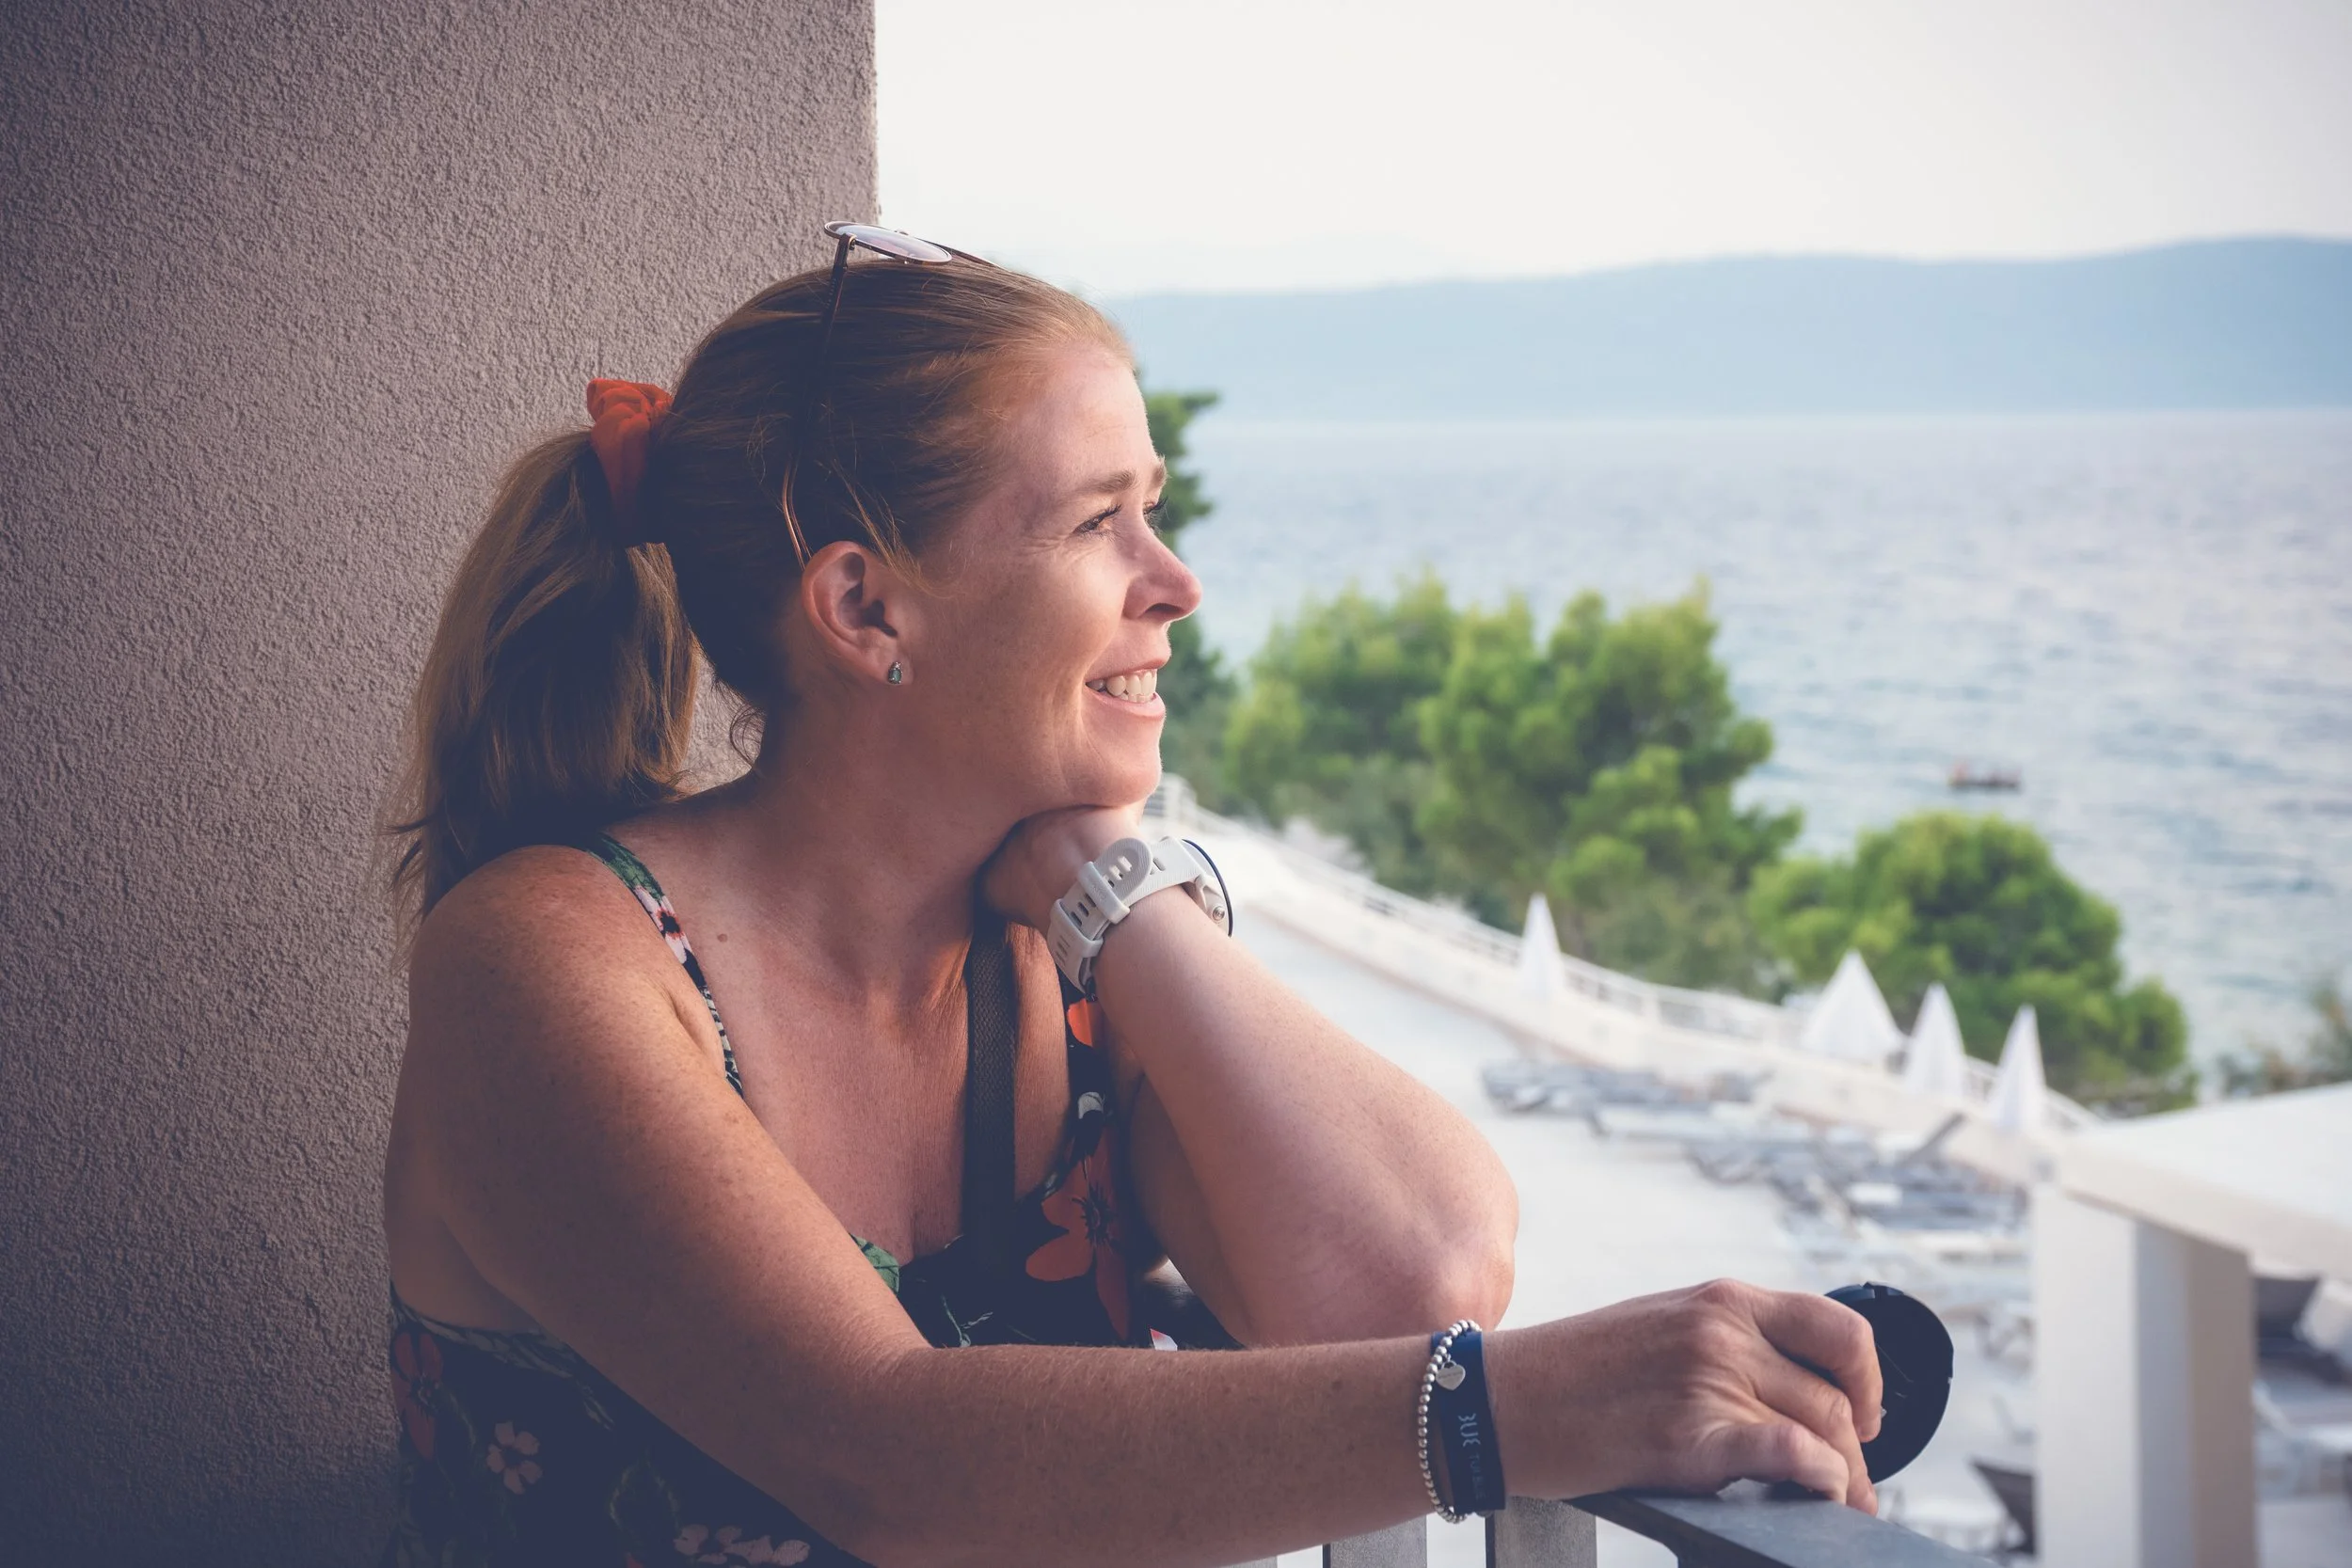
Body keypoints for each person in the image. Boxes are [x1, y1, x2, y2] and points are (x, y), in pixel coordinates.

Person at [380, 225, 1882, 1568]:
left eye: (1154, 509)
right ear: (863, 607)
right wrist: (1532, 1410)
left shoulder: (1072, 962)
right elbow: (888, 1455)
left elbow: (1415, 1280)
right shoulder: (547, 961)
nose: (1175, 580)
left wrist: (1117, 884)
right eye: (1101, 521)